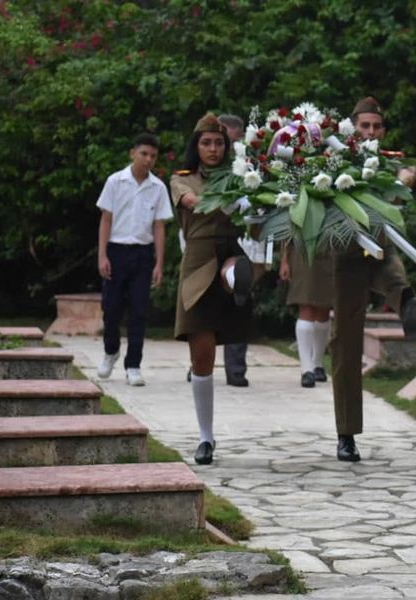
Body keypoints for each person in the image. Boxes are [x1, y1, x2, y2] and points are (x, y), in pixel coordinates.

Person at [329, 96, 416, 462]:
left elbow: (407, 173)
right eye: (364, 126)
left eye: (376, 126)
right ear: (352, 129)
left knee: (398, 283)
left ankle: (410, 309)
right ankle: (346, 434)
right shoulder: (334, 161)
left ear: (383, 130)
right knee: (346, 344)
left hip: (382, 250)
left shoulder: (393, 164)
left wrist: (402, 179)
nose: (371, 132)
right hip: (347, 257)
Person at [171, 113, 256, 465]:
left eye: (219, 143)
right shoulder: (181, 179)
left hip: (230, 249)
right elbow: (191, 202)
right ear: (196, 146)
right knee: (202, 356)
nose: (213, 149)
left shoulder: (241, 174)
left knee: (236, 267)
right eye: (206, 143)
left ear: (227, 146)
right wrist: (231, 199)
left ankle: (238, 281)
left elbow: (255, 208)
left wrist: (250, 193)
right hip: (198, 257)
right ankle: (206, 438)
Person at [96, 133, 173, 386]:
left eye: (153, 156)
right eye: (144, 154)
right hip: (116, 251)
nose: (148, 160)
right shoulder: (115, 182)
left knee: (139, 311)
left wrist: (159, 263)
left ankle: (133, 365)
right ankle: (111, 351)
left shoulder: (158, 187)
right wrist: (103, 255)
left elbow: (159, 226)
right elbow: (106, 219)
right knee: (111, 309)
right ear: (132, 153)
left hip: (142, 254)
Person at [279, 241, 334, 388]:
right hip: (302, 249)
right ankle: (306, 369)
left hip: (329, 249)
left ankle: (317, 363)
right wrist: (285, 260)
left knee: (324, 310)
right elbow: (288, 227)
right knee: (306, 305)